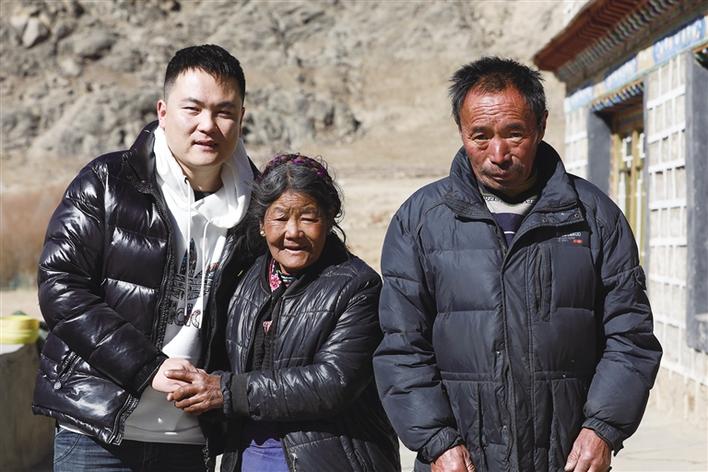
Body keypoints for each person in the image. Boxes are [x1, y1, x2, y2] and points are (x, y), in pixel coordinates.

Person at [373, 57, 662, 472]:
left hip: (566, 459)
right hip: (459, 462)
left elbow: (630, 336)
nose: (498, 154)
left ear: (540, 126)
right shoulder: (420, 221)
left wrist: (602, 428)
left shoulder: (594, 217)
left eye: (514, 134)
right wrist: (437, 442)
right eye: (480, 136)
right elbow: (402, 345)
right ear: (461, 131)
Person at [32, 44, 257, 471]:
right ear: (163, 111)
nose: (207, 125)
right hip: (96, 432)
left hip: (192, 441)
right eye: (193, 109)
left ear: (241, 118)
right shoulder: (107, 182)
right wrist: (148, 367)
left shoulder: (258, 208)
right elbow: (60, 287)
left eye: (224, 112)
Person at [164, 154, 401, 471]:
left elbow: (333, 382)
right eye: (280, 217)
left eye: (308, 217)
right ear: (262, 224)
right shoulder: (244, 280)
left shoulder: (358, 287)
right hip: (248, 456)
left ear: (329, 220)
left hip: (329, 459)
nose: (293, 231)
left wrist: (227, 391)